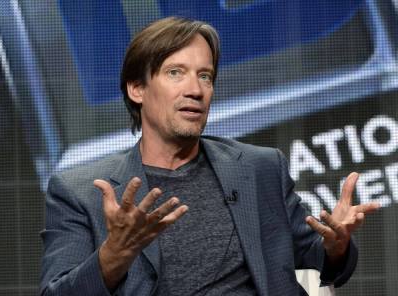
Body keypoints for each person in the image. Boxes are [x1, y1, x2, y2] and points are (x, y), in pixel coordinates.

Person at [40, 17, 380, 295]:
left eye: (205, 76)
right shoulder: (81, 192)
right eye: (176, 73)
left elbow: (321, 259)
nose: (196, 89)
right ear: (137, 88)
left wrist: (337, 245)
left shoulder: (259, 167)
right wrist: (114, 256)